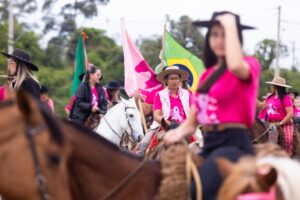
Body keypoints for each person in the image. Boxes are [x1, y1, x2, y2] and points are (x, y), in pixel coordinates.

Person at [164, 11, 260, 200]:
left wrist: (230, 24)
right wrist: (176, 133)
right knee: (176, 183)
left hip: (234, 145)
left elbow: (234, 66)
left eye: (225, 34)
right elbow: (192, 123)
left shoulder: (249, 64)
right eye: (215, 34)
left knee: (203, 189)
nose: (219, 40)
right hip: (209, 142)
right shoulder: (206, 76)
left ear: (236, 37)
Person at [135, 65, 193, 155]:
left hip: (184, 126)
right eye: (171, 78)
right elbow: (156, 114)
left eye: (177, 78)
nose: (174, 81)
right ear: (166, 81)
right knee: (142, 146)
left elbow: (194, 110)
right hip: (164, 126)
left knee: (202, 143)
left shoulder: (188, 94)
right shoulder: (159, 95)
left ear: (180, 80)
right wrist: (166, 123)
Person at [257, 77, 294, 156]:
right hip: (271, 124)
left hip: (284, 124)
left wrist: (280, 123)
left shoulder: (286, 98)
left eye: (272, 85)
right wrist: (251, 96)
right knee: (267, 141)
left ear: (277, 87)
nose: (271, 87)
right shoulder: (269, 98)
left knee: (288, 140)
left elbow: (290, 113)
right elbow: (261, 106)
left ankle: (287, 156)